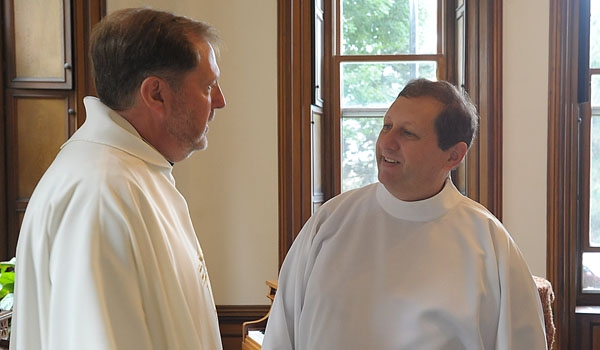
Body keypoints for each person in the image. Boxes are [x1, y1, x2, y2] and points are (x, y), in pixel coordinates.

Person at [262, 78, 547, 349]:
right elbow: (281, 335)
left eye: (407, 133)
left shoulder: (490, 245)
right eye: (387, 126)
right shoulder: (330, 222)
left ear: (453, 155)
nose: (387, 142)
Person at [10, 7, 226, 349]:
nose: (220, 101)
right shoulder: (99, 194)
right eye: (208, 85)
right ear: (156, 93)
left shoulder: (132, 173)